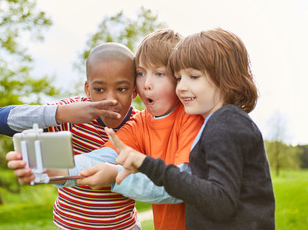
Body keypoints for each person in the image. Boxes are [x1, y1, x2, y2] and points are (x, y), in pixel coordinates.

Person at [4, 29, 204, 230]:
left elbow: (182, 185)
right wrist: (52, 169)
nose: (146, 84)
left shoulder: (192, 118)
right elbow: (103, 157)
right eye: (141, 74)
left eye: (159, 74)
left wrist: (115, 175)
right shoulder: (139, 124)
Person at [105, 28, 276, 229]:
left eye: (193, 77)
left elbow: (220, 201)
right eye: (178, 78)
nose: (181, 87)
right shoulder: (217, 122)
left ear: (225, 78)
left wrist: (147, 164)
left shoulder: (226, 124)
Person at [0, 42, 141, 230]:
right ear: (87, 89)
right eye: (100, 90)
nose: (111, 99)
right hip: (70, 226)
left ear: (134, 90)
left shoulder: (140, 124)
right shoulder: (69, 113)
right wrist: (60, 114)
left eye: (122, 89)